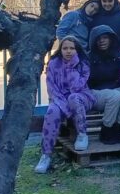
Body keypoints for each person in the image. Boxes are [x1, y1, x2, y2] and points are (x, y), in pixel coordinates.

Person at [37, 37, 95, 173]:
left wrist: (71, 66)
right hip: (60, 99)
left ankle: (82, 134)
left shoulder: (82, 64)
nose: (68, 51)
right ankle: (46, 155)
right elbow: (51, 88)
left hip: (82, 96)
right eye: (65, 48)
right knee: (52, 111)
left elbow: (76, 87)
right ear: (60, 49)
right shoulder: (53, 64)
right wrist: (62, 104)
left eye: (72, 48)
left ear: (77, 49)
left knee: (73, 98)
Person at [86, 25, 120, 145]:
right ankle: (106, 129)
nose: (102, 41)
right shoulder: (88, 58)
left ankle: (118, 127)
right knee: (115, 95)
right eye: (98, 39)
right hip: (94, 92)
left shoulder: (119, 56)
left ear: (111, 39)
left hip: (114, 88)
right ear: (93, 41)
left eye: (105, 38)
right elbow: (86, 81)